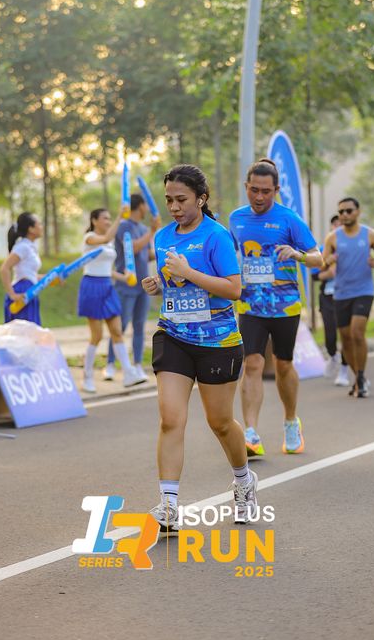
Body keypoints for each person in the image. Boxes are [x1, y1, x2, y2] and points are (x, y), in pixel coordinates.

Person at [142, 164, 257, 533]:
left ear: (201, 199)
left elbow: (233, 289)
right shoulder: (163, 237)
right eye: (169, 200)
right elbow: (174, 281)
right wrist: (158, 284)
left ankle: (243, 481)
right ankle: (169, 504)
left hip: (217, 342)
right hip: (174, 335)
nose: (174, 207)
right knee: (170, 419)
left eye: (181, 200)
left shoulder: (216, 236)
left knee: (220, 423)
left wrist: (188, 272)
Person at [229, 159, 322, 459]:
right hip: (250, 305)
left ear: (276, 190)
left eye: (266, 191)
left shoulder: (289, 219)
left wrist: (297, 254)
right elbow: (230, 255)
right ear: (246, 186)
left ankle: (291, 421)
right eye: (254, 190)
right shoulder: (236, 219)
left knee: (283, 365)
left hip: (285, 306)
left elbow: (318, 258)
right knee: (252, 363)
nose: (259, 197)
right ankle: (251, 433)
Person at [323, 197, 374, 398]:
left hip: (364, 291)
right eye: (341, 211)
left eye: (348, 211)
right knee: (346, 339)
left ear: (358, 212)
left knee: (357, 333)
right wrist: (328, 260)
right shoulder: (332, 238)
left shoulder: (370, 234)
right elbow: (322, 262)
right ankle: (359, 377)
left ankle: (360, 378)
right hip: (341, 293)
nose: (344, 215)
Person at [77, 207, 144, 393]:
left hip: (107, 285)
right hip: (91, 286)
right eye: (105, 218)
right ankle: (87, 377)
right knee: (97, 336)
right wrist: (120, 217)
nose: (108, 221)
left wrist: (124, 277)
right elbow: (106, 238)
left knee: (117, 331)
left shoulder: (109, 241)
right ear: (94, 220)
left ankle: (128, 373)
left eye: (109, 218)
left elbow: (107, 269)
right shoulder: (90, 238)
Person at [105, 193, 160, 382]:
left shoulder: (143, 228)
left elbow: (147, 254)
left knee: (139, 326)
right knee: (120, 326)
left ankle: (137, 365)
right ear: (140, 206)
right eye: (146, 205)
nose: (148, 209)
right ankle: (110, 365)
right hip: (125, 285)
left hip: (143, 286)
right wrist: (152, 232)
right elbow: (134, 248)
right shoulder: (124, 227)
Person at [312, 215, 349, 387]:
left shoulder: (351, 247)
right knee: (330, 335)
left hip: (347, 295)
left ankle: (344, 370)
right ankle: (333, 356)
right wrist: (328, 267)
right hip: (328, 296)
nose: (338, 227)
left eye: (341, 225)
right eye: (335, 224)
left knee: (346, 335)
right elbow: (315, 276)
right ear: (331, 227)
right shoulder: (324, 248)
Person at [0, 212, 44, 325]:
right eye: (39, 224)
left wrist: (51, 277)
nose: (41, 227)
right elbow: (4, 268)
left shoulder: (30, 247)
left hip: (30, 290)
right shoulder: (23, 247)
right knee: (24, 332)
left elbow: (29, 274)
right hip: (22, 292)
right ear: (31, 229)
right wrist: (12, 294)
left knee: (32, 332)